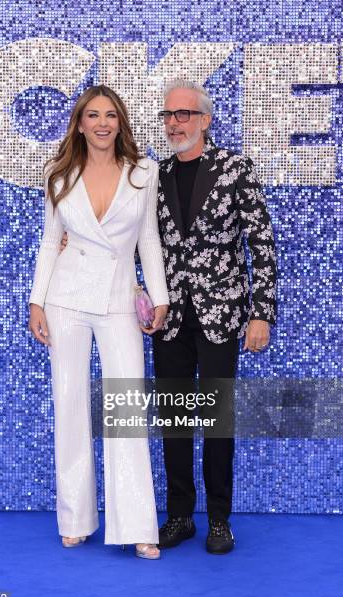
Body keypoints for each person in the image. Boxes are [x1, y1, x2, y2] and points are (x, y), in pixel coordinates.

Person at [28, 84, 169, 560]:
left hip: (118, 301)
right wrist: (36, 302)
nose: (103, 123)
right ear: (81, 123)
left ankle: (138, 524)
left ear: (120, 122)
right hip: (65, 299)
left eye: (111, 114)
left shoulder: (143, 172)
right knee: (69, 405)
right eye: (94, 115)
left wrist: (161, 297)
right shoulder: (58, 172)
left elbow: (148, 239)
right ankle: (74, 518)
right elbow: (51, 242)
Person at [153, 79, 277, 553]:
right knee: (176, 418)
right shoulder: (154, 175)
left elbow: (260, 242)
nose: (173, 123)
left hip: (223, 316)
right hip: (170, 320)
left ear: (205, 120)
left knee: (217, 418)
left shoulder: (235, 169)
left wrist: (261, 313)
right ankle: (180, 515)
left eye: (182, 114)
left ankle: (220, 520)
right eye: (168, 115)